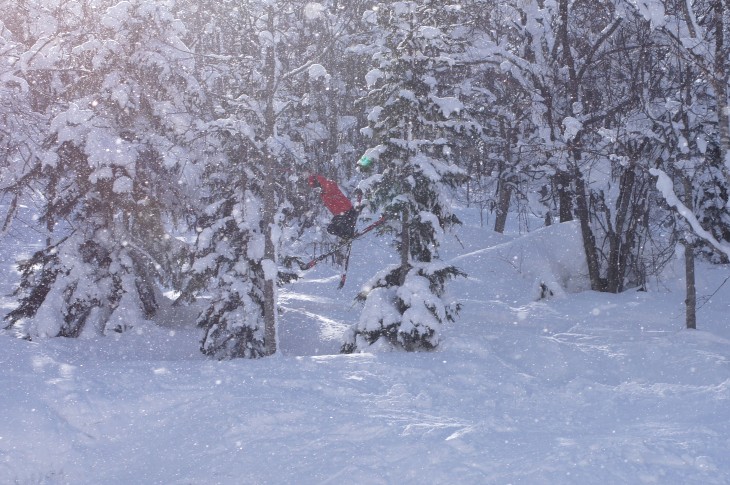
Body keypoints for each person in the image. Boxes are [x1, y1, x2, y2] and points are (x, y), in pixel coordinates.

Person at [308, 174, 360, 240]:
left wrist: (320, 180)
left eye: (316, 187)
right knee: (334, 228)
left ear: (318, 183)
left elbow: (329, 185)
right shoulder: (323, 193)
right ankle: (348, 235)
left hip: (347, 211)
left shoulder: (329, 185)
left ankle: (348, 236)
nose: (317, 190)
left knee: (332, 228)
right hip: (342, 213)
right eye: (315, 189)